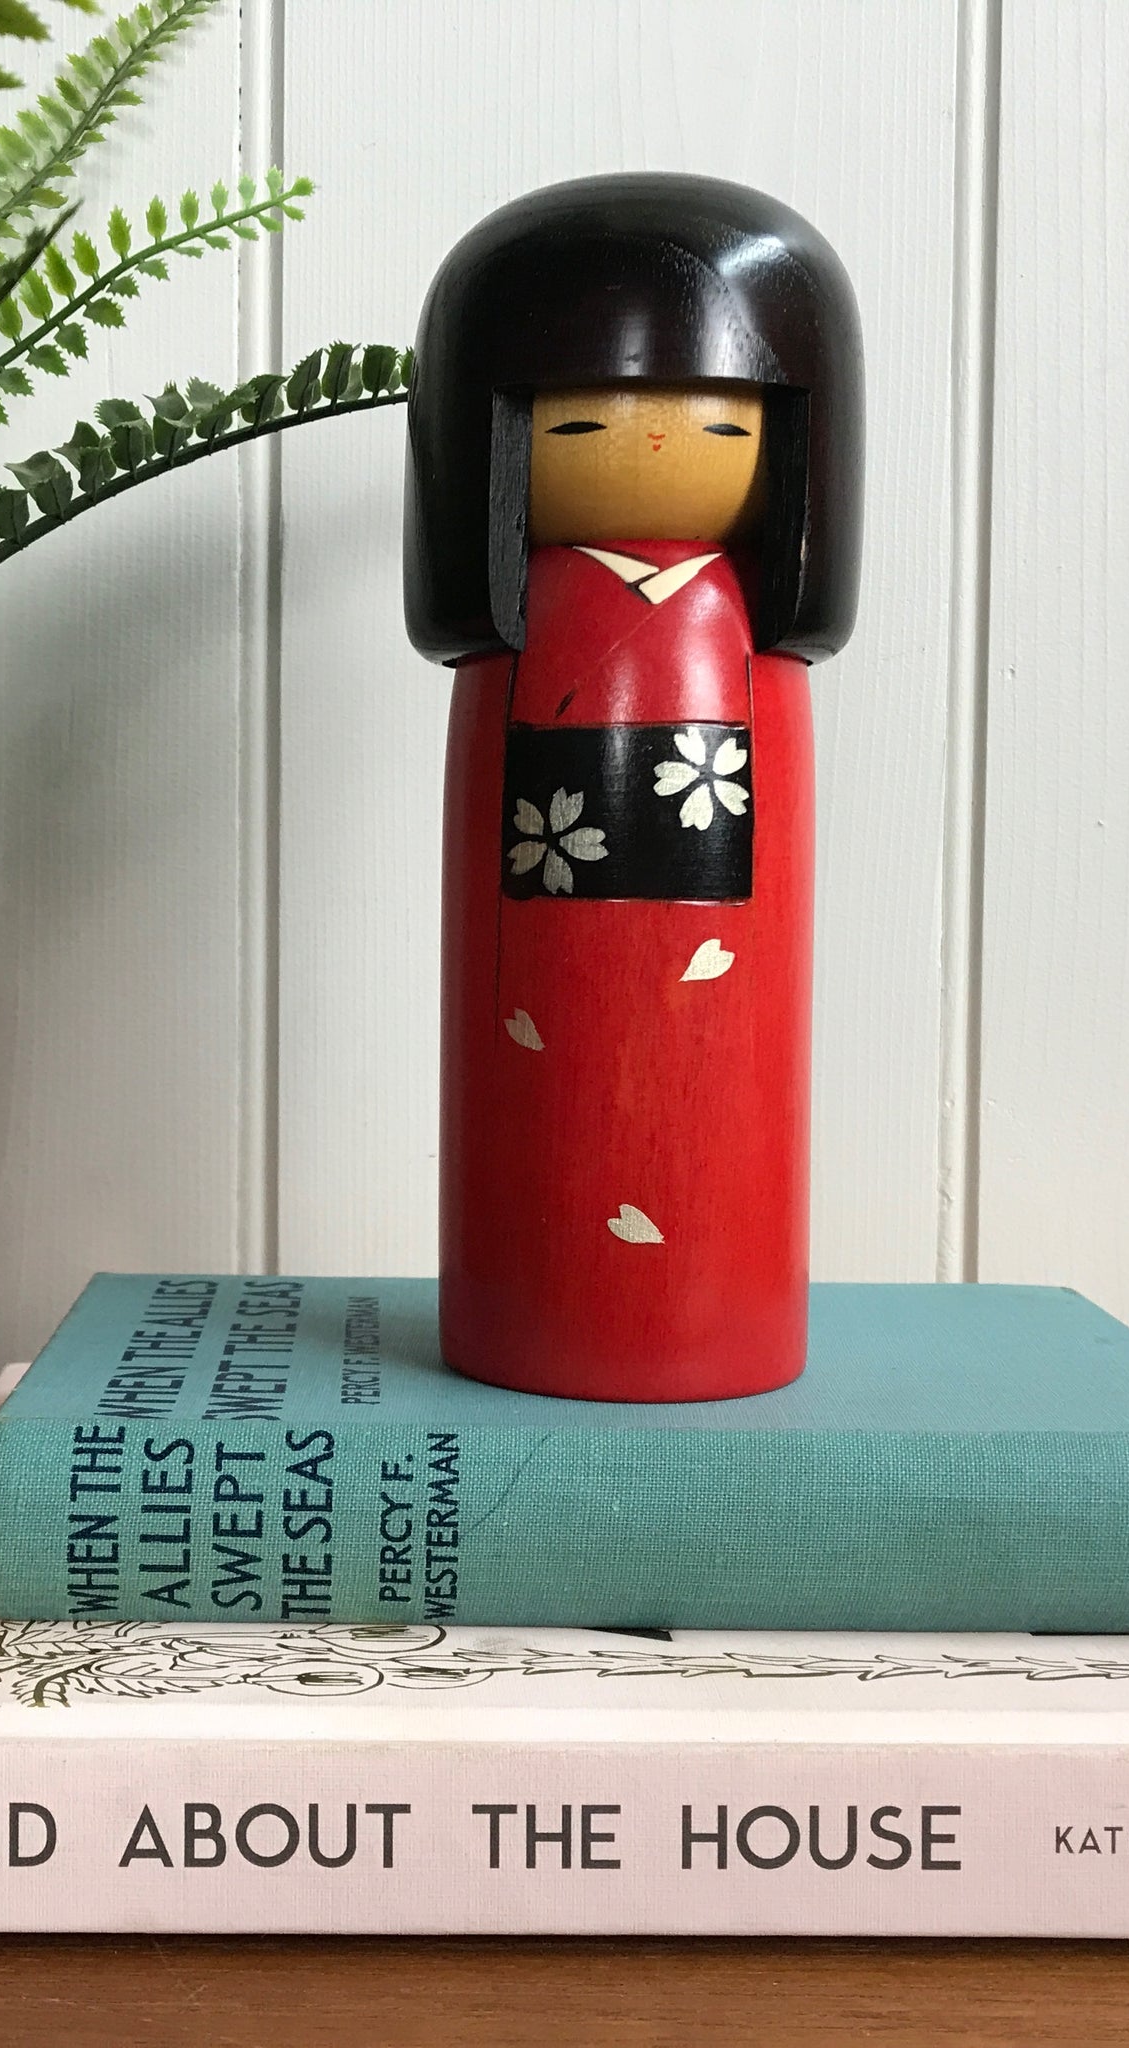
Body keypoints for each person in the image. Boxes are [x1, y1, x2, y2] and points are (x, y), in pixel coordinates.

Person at [405, 173, 865, 1400]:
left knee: (708, 1110)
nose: (655, 441)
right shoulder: (519, 630)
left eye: (718, 428)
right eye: (578, 428)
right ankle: (531, 1313)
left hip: (725, 960)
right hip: (537, 953)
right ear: (498, 439)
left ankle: (713, 1321)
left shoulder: (742, 631)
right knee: (547, 1106)